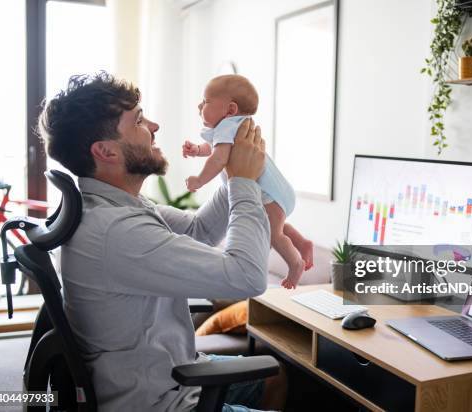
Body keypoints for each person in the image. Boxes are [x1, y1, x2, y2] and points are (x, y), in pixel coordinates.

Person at [37, 72, 287, 412]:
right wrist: (244, 182)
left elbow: (201, 230)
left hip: (167, 373)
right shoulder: (119, 231)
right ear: (106, 150)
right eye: (139, 120)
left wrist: (233, 169)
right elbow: (248, 275)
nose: (154, 126)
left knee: (276, 376)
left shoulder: (117, 206)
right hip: (163, 400)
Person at [182, 75, 313, 289]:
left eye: (206, 101)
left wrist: (199, 180)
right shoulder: (232, 127)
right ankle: (303, 243)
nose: (200, 105)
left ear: (230, 109)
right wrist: (197, 150)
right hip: (275, 194)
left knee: (272, 234)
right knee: (273, 225)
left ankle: (295, 264)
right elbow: (215, 148)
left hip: (270, 194)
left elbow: (218, 158)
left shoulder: (228, 127)